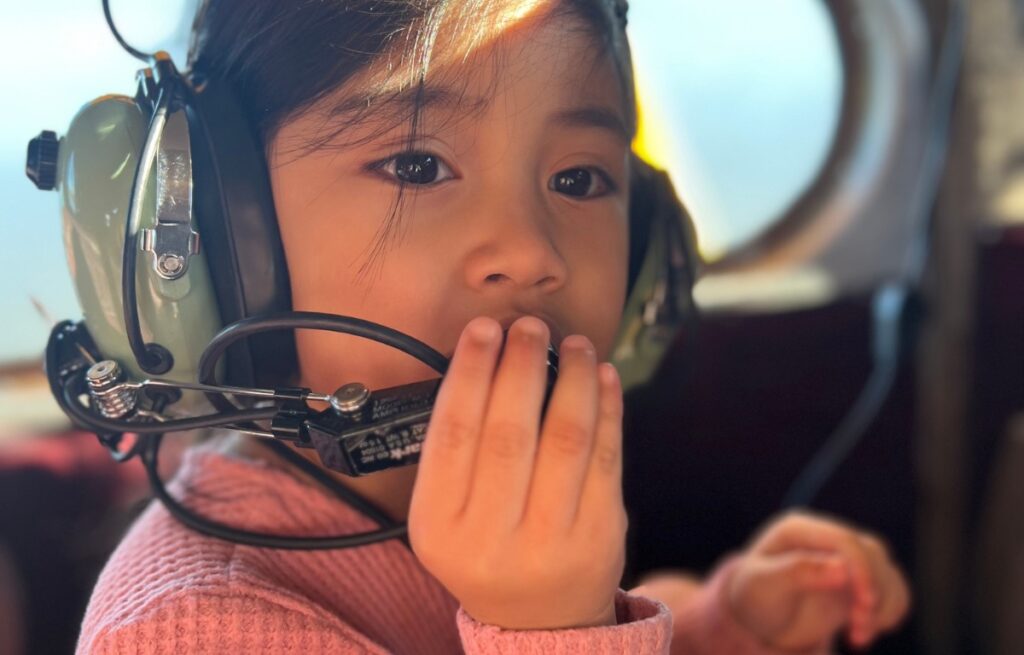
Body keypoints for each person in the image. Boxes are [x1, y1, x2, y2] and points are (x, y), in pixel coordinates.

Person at [76, 0, 909, 653]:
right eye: (415, 165)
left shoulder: (486, 501)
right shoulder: (190, 630)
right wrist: (555, 630)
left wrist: (725, 631)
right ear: (228, 234)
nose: (529, 250)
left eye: (579, 178)